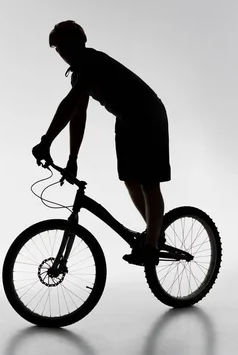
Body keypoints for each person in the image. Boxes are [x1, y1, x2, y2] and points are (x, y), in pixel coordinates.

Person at [31, 20, 171, 266]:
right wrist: (72, 159)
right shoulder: (78, 73)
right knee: (130, 180)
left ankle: (151, 248)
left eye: (64, 47)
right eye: (59, 51)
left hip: (148, 114)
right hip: (126, 120)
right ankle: (156, 233)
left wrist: (46, 141)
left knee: (149, 182)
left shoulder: (92, 62)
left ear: (78, 44)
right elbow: (77, 114)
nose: (62, 54)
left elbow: (69, 104)